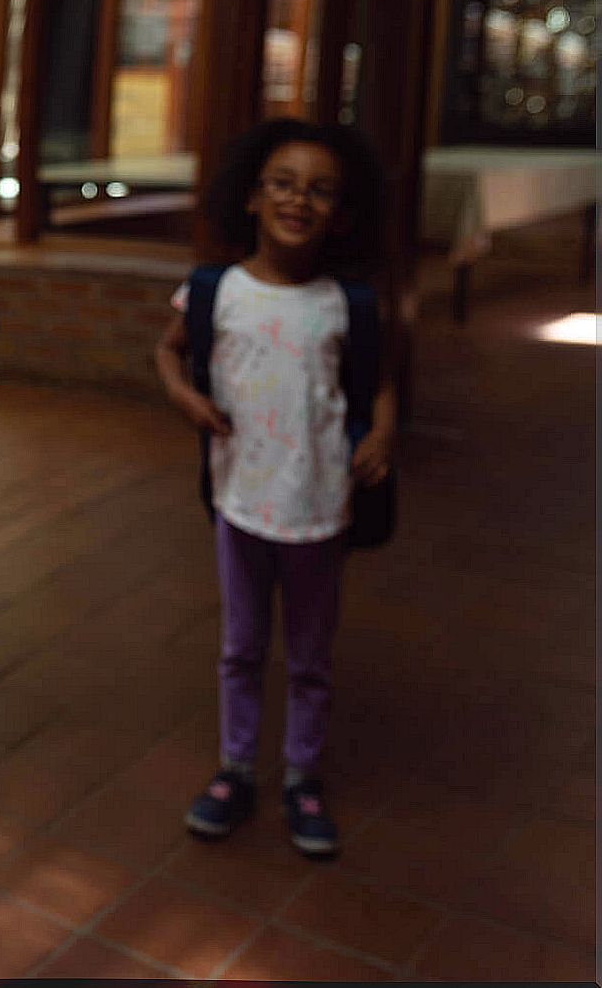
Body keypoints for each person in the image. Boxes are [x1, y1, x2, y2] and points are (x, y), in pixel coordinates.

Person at [153, 118, 395, 858]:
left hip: (321, 508)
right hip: (241, 503)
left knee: (311, 655)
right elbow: (167, 349)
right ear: (252, 197)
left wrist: (382, 434)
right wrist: (183, 396)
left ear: (341, 212)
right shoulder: (214, 290)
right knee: (241, 644)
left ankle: (301, 774)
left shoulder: (343, 302)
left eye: (320, 190)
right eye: (283, 184)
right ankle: (234, 768)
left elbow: (378, 383)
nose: (300, 200)